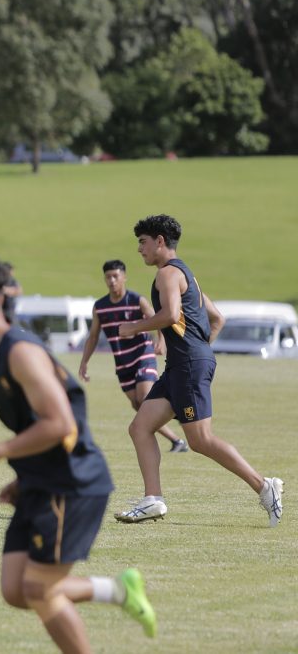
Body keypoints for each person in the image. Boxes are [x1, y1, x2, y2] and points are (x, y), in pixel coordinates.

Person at [0, 256, 157, 652]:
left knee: (40, 589)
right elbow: (38, 425)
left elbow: (61, 423)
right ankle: (117, 591)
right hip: (41, 480)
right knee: (15, 589)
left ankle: (114, 597)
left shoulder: (20, 352)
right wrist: (23, 476)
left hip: (73, 482)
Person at [114, 215, 283, 526]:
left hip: (187, 365)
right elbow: (217, 318)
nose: (139, 249)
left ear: (160, 241)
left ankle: (264, 486)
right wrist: (196, 350)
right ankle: (153, 499)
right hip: (182, 364)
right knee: (140, 427)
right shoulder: (187, 274)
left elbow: (171, 314)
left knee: (201, 440)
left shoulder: (167, 273)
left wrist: (135, 328)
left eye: (143, 242)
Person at [79, 259, 188, 453]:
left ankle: (177, 407)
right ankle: (177, 441)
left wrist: (161, 341)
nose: (111, 281)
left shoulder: (137, 301)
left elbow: (158, 319)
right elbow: (93, 336)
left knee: (145, 397)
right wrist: (84, 362)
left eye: (115, 276)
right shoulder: (100, 306)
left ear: (124, 277)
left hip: (142, 356)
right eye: (108, 277)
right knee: (139, 406)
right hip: (122, 363)